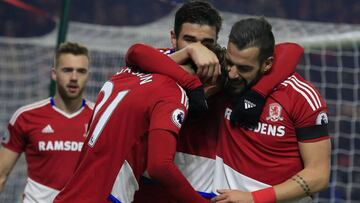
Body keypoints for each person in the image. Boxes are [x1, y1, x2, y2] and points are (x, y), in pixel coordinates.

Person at [128, 1, 305, 202]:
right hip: (151, 188)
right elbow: (135, 52)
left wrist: (256, 94)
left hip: (203, 189)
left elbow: (291, 50)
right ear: (173, 39)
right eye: (190, 40)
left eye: (206, 42)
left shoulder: (225, 72)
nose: (198, 49)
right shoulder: (159, 66)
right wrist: (191, 83)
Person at [53, 43, 211, 203]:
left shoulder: (126, 74)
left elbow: (136, 51)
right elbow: (160, 166)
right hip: (106, 196)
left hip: (70, 195)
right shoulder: (173, 92)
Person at [209, 18, 331, 203]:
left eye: (244, 68)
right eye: (229, 62)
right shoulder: (222, 81)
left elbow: (318, 176)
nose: (232, 73)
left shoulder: (301, 97)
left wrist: (254, 198)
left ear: (267, 64)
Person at [0, 42, 94, 202]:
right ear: (54, 74)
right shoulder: (25, 117)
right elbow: (1, 174)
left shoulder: (101, 119)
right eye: (67, 70)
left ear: (88, 76)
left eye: (81, 71)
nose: (74, 77)